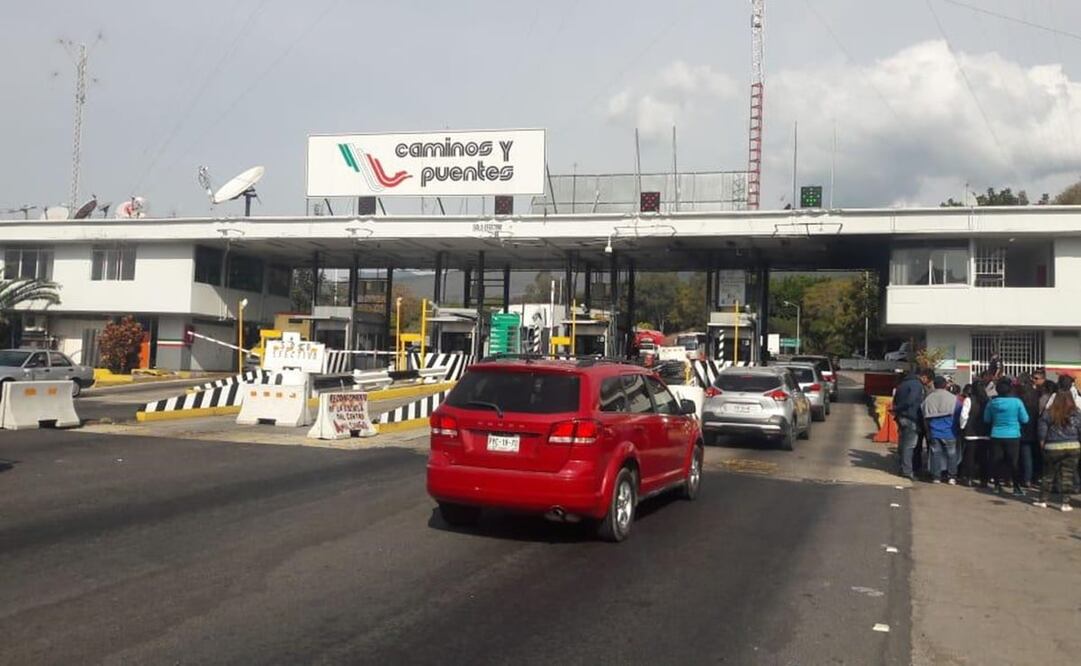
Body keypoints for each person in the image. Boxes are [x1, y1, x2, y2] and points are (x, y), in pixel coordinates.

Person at [1033, 375, 1081, 511]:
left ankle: (1043, 500)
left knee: (1048, 474)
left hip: (1052, 446)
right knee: (1068, 475)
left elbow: (1042, 425)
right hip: (1073, 446)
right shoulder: (1076, 413)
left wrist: (1042, 440)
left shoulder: (1049, 412)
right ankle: (1065, 503)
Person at [984, 378, 1030, 496]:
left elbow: (986, 419)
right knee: (1013, 462)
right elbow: (1025, 419)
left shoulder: (991, 403)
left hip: (996, 434)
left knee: (996, 461)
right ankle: (1016, 487)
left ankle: (997, 486)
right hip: (1013, 435)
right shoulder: (1017, 402)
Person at [894, 368, 934, 481]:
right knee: (910, 445)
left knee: (903, 442)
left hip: (901, 416)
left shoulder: (903, 383)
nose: (927, 384)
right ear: (924, 377)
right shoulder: (917, 385)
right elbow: (911, 401)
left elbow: (896, 399)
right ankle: (907, 471)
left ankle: (902, 467)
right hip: (911, 417)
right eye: (928, 381)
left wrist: (897, 409)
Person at [923, 375, 960, 483]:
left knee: (935, 454)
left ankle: (936, 477)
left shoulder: (928, 398)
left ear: (934, 385)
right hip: (950, 431)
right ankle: (952, 477)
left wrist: (928, 430)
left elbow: (924, 415)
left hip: (934, 431)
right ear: (945, 385)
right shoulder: (953, 399)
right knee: (952, 454)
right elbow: (959, 414)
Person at [958, 383, 991, 487]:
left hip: (971, 433)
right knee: (983, 458)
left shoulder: (969, 400)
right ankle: (984, 480)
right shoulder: (988, 401)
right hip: (984, 433)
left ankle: (969, 478)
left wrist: (963, 427)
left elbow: (964, 415)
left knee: (969, 457)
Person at [1018, 373, 1041, 489]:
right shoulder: (1036, 394)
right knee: (1033, 455)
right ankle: (1033, 478)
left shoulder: (1020, 395)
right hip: (1035, 427)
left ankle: (1026, 479)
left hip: (1024, 428)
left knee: (1025, 455)